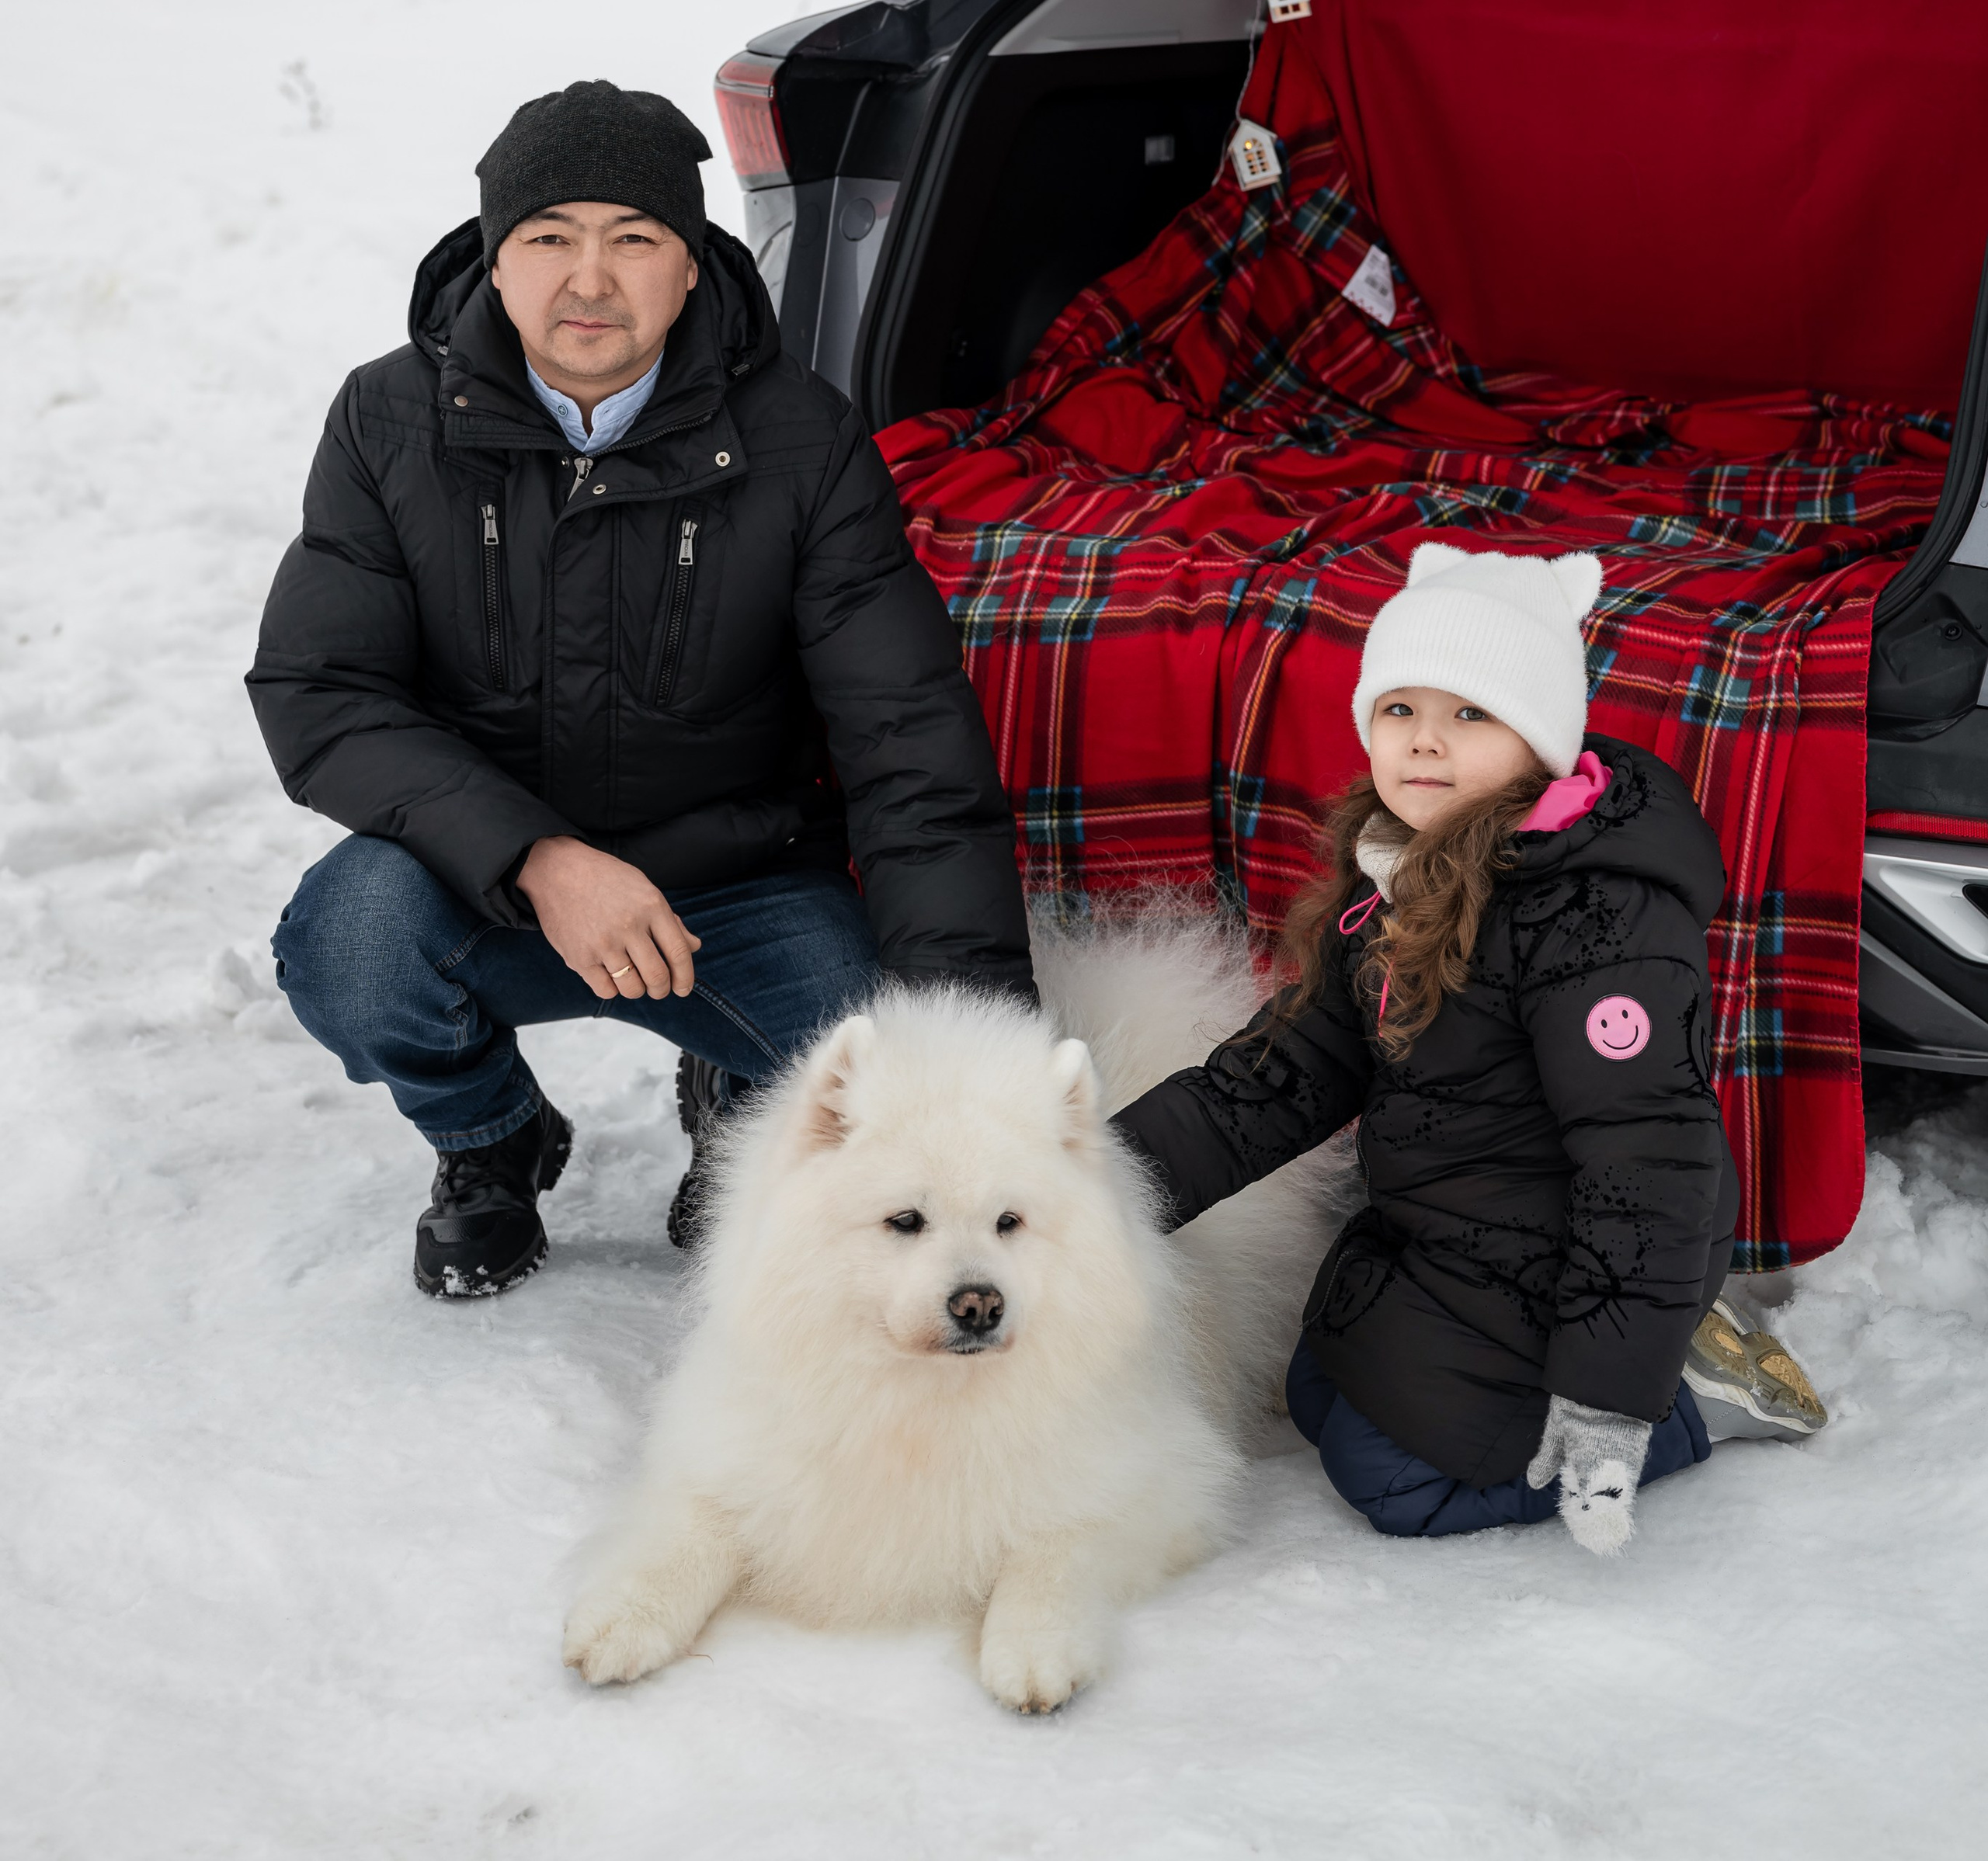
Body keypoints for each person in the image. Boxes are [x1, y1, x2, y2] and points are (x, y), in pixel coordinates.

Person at [249, 78, 1031, 1299]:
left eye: (633, 239)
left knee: (881, 1058)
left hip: (738, 893)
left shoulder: (801, 439)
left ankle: (743, 1097)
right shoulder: (388, 420)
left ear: (691, 261)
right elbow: (322, 689)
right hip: (485, 885)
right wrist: (537, 857)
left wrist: (974, 1055)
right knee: (348, 943)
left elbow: (908, 739)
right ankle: (492, 1139)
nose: (589, 281)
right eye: (547, 238)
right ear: (494, 260)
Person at [1111, 543, 1827, 1551]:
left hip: (1580, 1242)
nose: (1425, 741)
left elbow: (1650, 1164)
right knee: (1318, 1394)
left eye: (1472, 714)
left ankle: (1685, 1405)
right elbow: (1278, 1080)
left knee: (1396, 1481)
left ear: (1540, 738)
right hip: (1466, 1230)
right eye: (1401, 708)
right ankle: (1650, 1350)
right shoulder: (1398, 871)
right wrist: (1101, 1177)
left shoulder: (1595, 922)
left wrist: (1608, 1395)